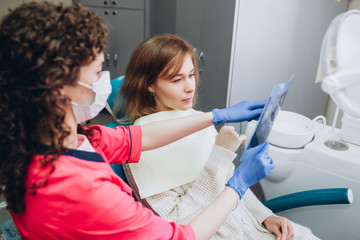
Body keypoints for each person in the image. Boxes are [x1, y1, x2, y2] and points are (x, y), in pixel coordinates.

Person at [0, 3, 274, 240]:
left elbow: (134, 138)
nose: (104, 79)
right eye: (97, 71)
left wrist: (217, 116)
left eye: (191, 75)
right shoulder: (81, 189)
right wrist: (237, 183)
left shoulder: (62, 137)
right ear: (56, 86)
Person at [115, 34, 320, 240]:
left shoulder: (199, 121)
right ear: (150, 85)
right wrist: (220, 155)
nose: (189, 87)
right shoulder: (140, 148)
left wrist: (265, 217)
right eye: (177, 79)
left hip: (253, 227)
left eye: (191, 74)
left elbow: (231, 182)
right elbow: (179, 224)